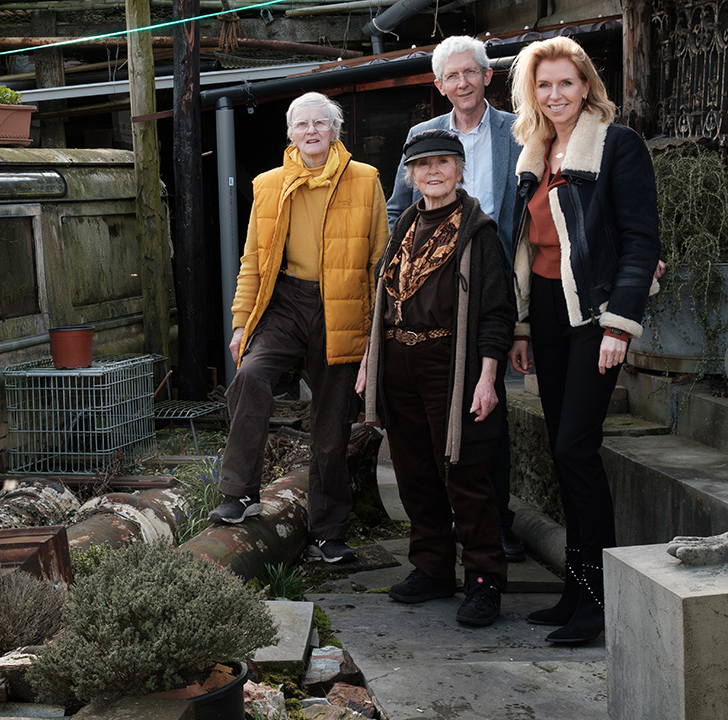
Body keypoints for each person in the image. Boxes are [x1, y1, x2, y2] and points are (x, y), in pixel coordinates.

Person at [505, 36, 662, 644]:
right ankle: (574, 592)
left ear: (586, 85)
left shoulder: (618, 145)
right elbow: (524, 248)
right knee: (561, 449)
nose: (555, 94)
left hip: (594, 313)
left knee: (576, 448)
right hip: (543, 311)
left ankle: (598, 603)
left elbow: (640, 238)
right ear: (532, 94)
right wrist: (520, 325)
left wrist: (619, 324)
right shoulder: (533, 152)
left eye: (565, 83)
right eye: (543, 85)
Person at [208, 92, 389, 566]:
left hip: (342, 305)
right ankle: (240, 492)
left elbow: (379, 263)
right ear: (289, 133)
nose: (312, 131)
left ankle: (327, 532)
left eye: (321, 123)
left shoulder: (365, 180)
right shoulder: (268, 184)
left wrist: (373, 336)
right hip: (285, 303)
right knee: (250, 375)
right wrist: (241, 322)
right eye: (302, 124)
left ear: (336, 130)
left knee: (332, 422)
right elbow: (253, 261)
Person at [361, 129, 515, 627]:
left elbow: (496, 313)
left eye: (444, 163)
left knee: (464, 473)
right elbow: (385, 300)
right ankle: (431, 568)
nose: (433, 172)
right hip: (400, 362)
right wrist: (370, 360)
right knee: (413, 470)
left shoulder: (479, 232)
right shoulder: (404, 225)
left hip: (452, 365)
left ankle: (484, 581)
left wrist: (488, 377)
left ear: (460, 169)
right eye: (423, 165)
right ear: (410, 175)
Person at [387, 34, 527, 563]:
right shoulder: (424, 136)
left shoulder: (517, 129)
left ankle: (499, 524)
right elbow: (397, 211)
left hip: (493, 274)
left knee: (485, 410)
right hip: (433, 287)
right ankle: (439, 536)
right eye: (452, 76)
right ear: (439, 84)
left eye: (472, 72)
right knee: (425, 425)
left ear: (487, 77)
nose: (463, 83)